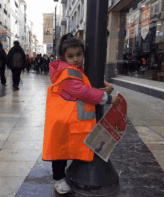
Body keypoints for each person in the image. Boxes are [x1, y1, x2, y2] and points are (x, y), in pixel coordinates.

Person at [42, 33, 120, 195]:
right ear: (64, 57)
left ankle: (62, 177)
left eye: (79, 54)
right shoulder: (68, 73)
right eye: (71, 56)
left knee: (66, 148)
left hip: (69, 119)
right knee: (60, 153)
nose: (76, 59)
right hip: (62, 120)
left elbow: (88, 80)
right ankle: (58, 179)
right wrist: (108, 98)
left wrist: (107, 86)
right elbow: (83, 90)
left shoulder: (75, 70)